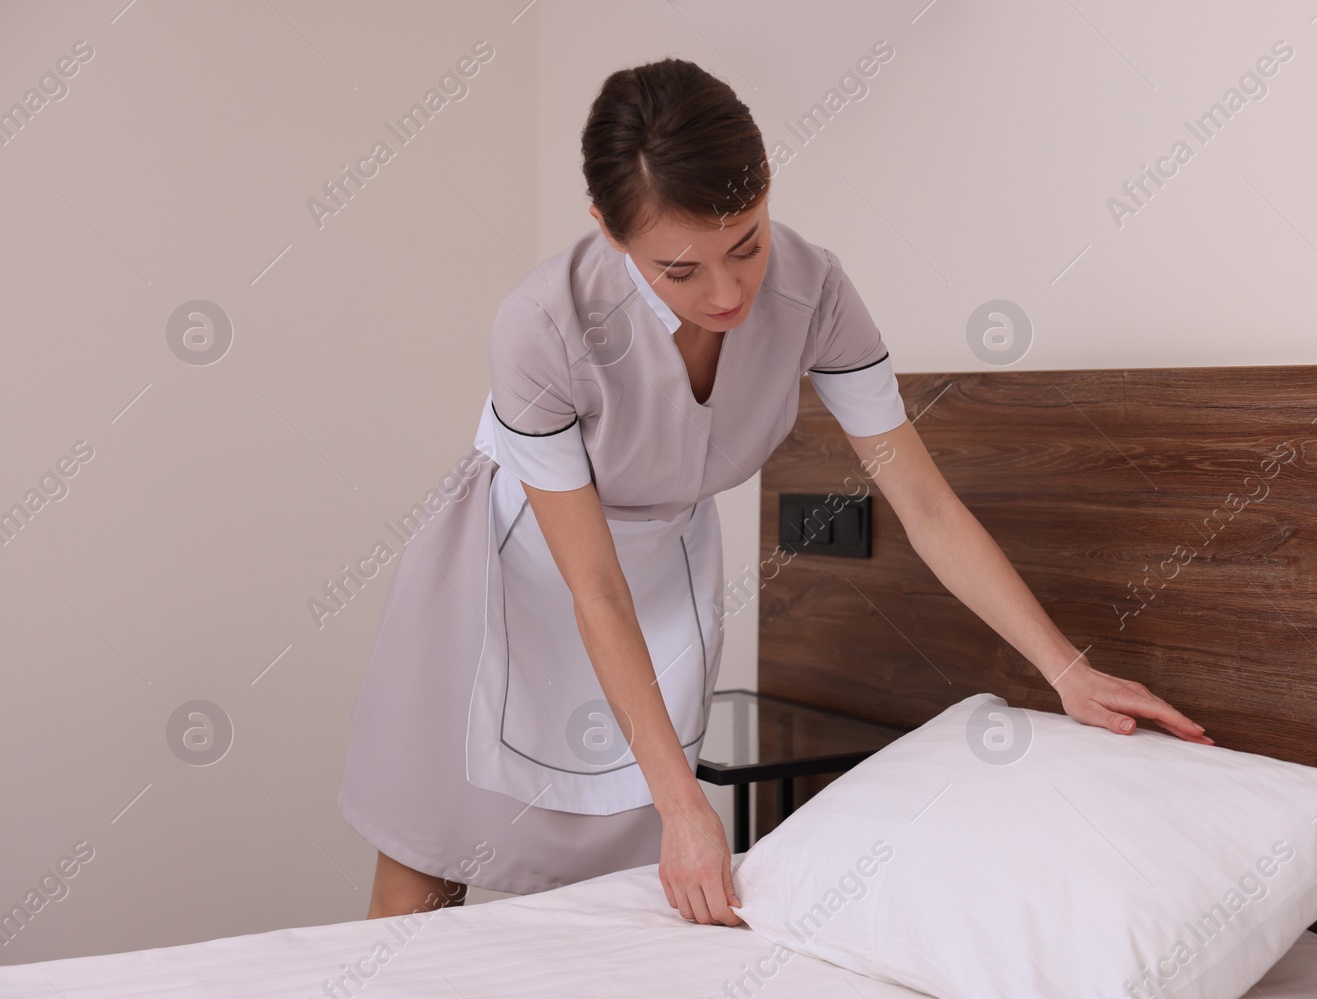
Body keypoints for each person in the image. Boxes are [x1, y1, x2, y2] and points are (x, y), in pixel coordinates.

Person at [338, 56, 1209, 928]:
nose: (727, 293)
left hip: (662, 576)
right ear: (608, 228)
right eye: (681, 270)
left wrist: (1068, 671)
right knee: (427, 876)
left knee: (620, 906)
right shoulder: (542, 325)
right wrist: (686, 806)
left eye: (746, 243)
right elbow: (591, 587)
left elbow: (927, 505)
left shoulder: (815, 290)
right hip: (513, 570)